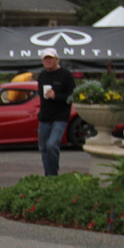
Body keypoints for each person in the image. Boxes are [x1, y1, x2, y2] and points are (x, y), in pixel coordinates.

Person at [35, 47, 76, 177]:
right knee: (43, 148)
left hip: (60, 117)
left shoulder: (66, 75)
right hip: (45, 116)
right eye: (45, 59)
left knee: (52, 144)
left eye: (50, 58)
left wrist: (56, 96)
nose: (48, 61)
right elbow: (41, 95)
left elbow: (72, 96)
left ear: (56, 59)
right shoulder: (42, 76)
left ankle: (53, 174)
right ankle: (49, 175)